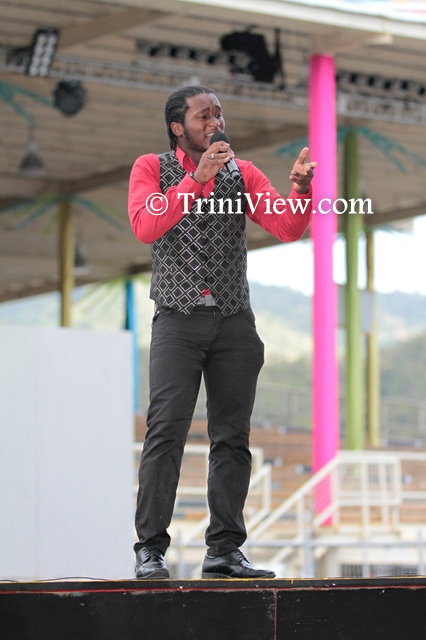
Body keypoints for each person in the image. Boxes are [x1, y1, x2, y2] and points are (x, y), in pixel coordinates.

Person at [128, 85, 315, 579]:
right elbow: (146, 226)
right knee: (165, 432)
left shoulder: (243, 173)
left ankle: (225, 551)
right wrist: (196, 180)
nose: (215, 122)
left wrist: (301, 191)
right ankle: (150, 549)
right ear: (178, 127)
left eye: (218, 114)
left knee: (232, 438)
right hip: (177, 319)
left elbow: (287, 228)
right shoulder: (151, 168)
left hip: (234, 321)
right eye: (203, 115)